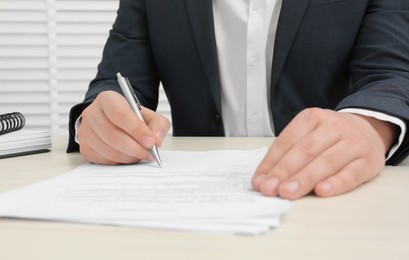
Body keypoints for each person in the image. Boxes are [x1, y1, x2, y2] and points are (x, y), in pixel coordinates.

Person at [67, 0, 409, 200]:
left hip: (328, 197)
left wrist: (368, 126)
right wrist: (96, 121)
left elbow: (392, 74)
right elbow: (116, 83)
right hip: (191, 205)